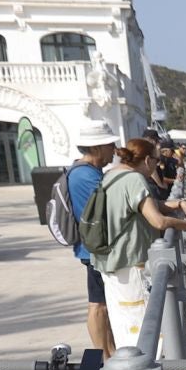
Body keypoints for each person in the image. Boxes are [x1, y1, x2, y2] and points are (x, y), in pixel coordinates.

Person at [87, 136, 186, 351]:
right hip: (130, 263)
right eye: (155, 160)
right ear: (147, 160)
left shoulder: (111, 176)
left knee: (124, 319)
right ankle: (149, 369)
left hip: (112, 261)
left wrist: (180, 202)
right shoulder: (134, 180)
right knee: (141, 322)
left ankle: (136, 365)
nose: (156, 165)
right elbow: (157, 220)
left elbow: (147, 205)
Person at [67, 129, 118, 357]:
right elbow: (108, 207)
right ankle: (102, 356)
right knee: (98, 304)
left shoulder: (87, 172)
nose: (114, 151)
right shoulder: (87, 176)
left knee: (103, 304)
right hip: (94, 248)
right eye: (110, 146)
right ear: (97, 148)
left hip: (92, 247)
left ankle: (110, 352)